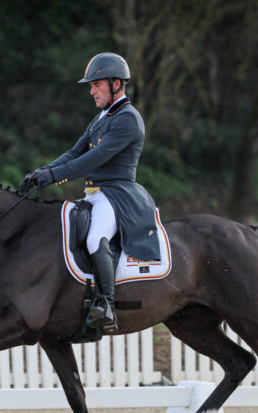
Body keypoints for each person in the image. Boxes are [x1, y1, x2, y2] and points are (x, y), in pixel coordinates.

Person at [20, 52, 160, 333]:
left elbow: (93, 160)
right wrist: (42, 172)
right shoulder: (100, 118)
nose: (92, 91)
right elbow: (75, 152)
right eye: (91, 86)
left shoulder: (128, 119)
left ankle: (105, 304)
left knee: (97, 237)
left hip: (117, 194)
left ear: (116, 83)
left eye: (97, 85)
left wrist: (54, 175)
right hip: (95, 193)